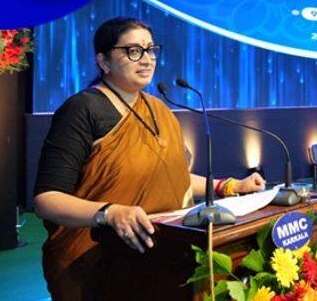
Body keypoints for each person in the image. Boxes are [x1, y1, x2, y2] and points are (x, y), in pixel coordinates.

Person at [33, 17, 266, 300]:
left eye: (150, 49)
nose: (146, 59)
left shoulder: (158, 108)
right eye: (133, 51)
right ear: (103, 61)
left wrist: (228, 186)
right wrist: (110, 213)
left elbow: (171, 178)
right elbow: (47, 200)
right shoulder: (83, 109)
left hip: (163, 254)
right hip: (98, 259)